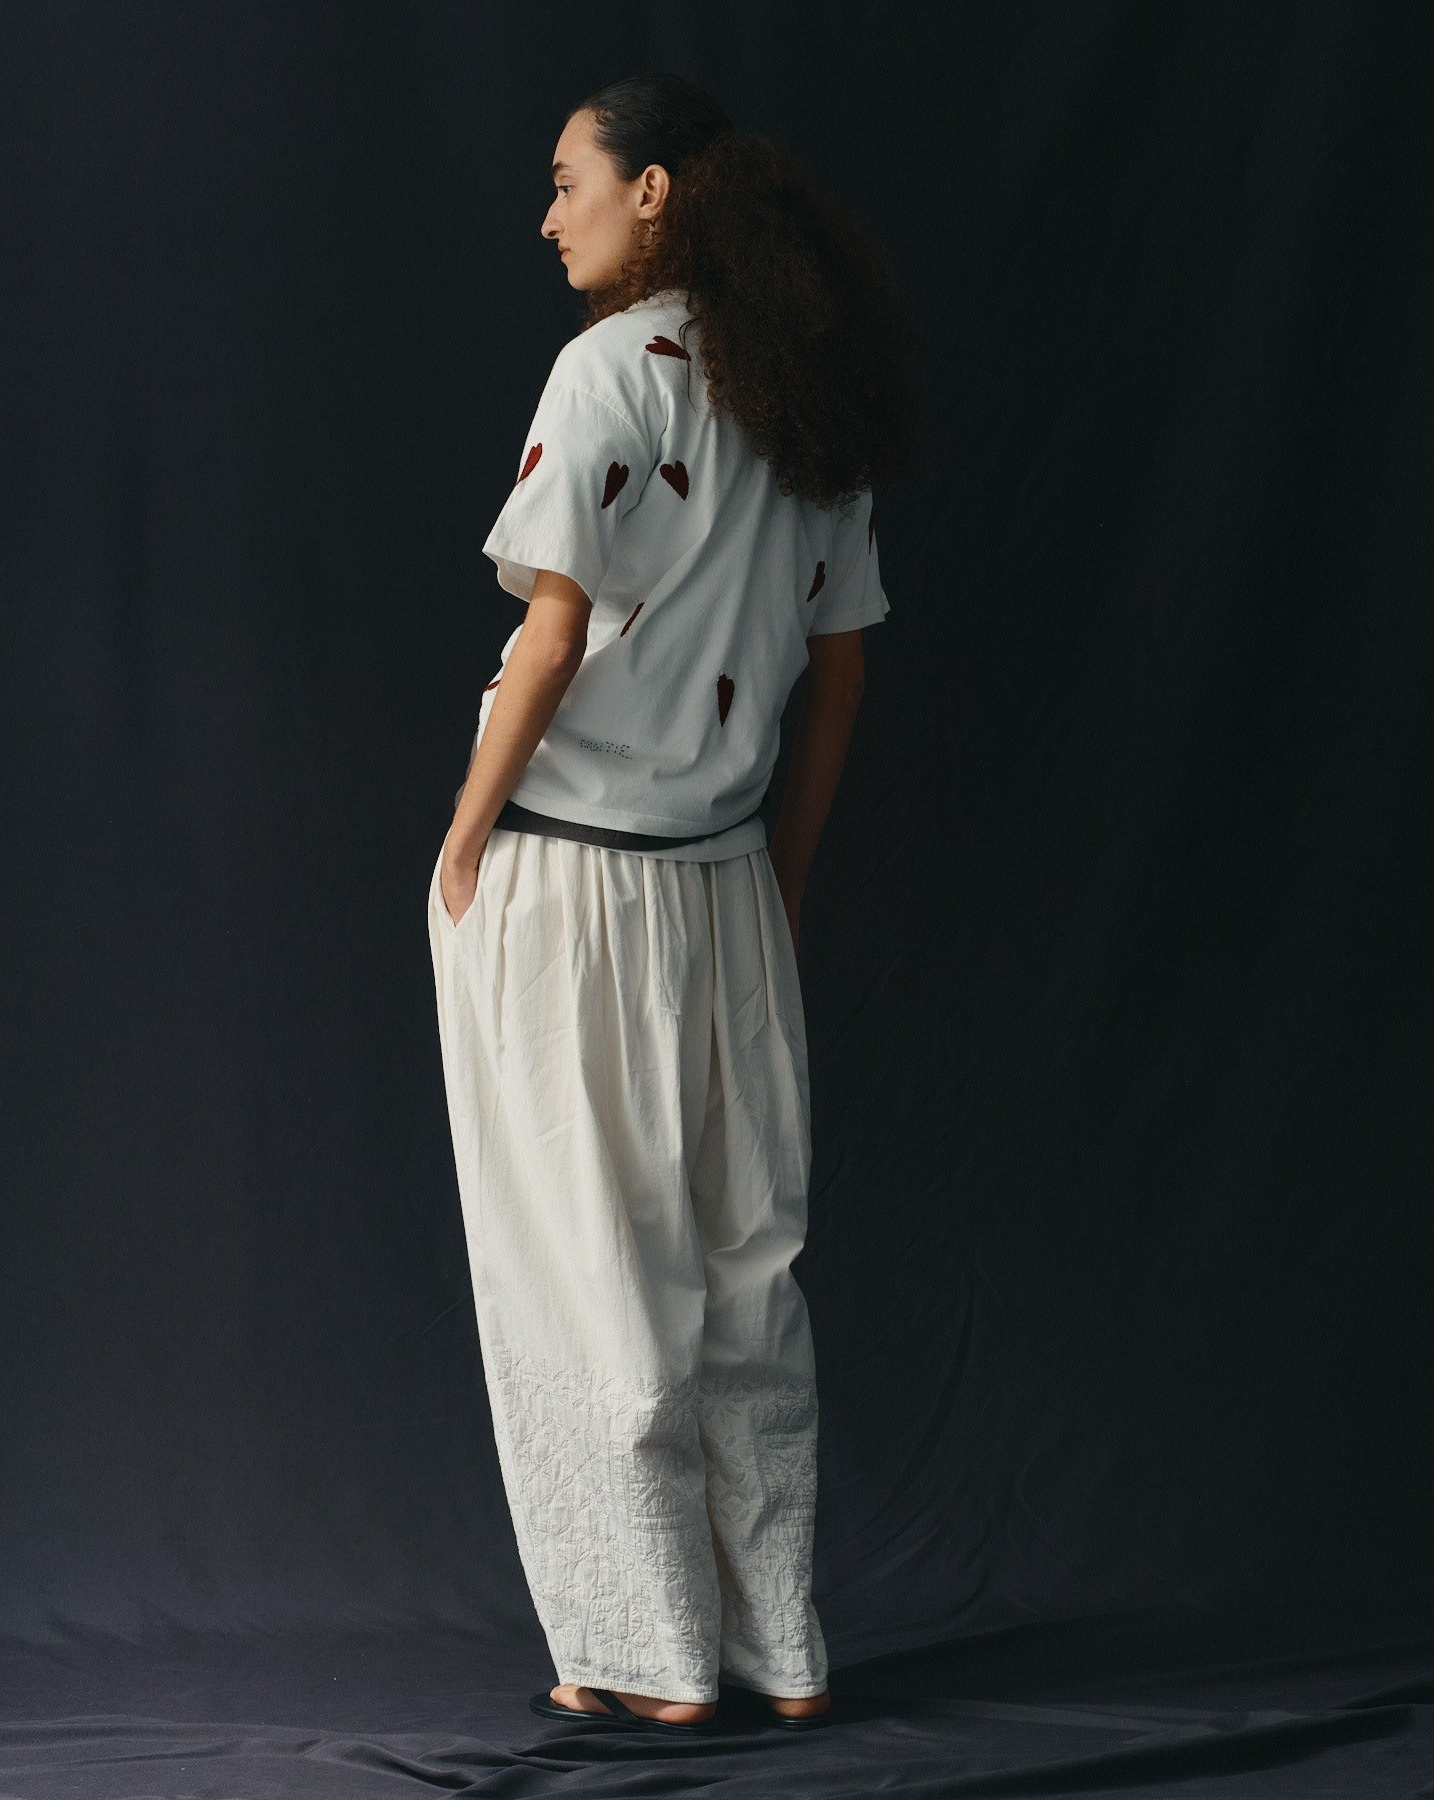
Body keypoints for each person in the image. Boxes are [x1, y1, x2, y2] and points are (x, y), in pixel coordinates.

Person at [427, 71, 911, 1736]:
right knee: (745, 1275)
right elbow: (839, 680)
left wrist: (463, 838)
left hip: (573, 874)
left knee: (585, 1267)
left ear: (656, 192)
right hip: (723, 884)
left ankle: (644, 1656)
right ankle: (781, 1653)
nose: (548, 216)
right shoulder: (809, 388)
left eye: (570, 181)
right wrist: (782, 871)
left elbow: (552, 635)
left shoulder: (604, 373)